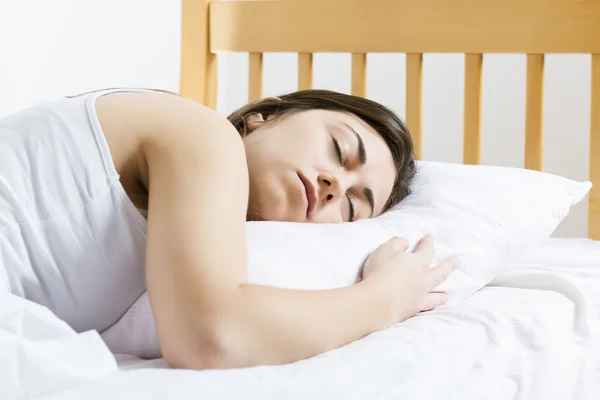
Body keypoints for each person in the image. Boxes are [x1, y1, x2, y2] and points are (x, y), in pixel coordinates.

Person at [0, 87, 458, 370]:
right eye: (338, 149)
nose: (335, 184)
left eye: (354, 207)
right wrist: (387, 298)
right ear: (264, 115)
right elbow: (209, 337)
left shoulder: (190, 227)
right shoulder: (200, 131)